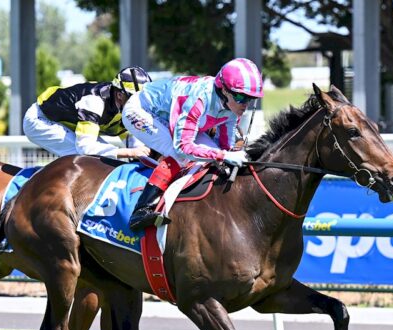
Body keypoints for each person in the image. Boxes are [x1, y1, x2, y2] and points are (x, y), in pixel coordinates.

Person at [122, 58, 263, 231]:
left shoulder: (233, 107)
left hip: (173, 116)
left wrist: (226, 155)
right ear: (225, 90)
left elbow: (224, 147)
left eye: (251, 98)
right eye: (241, 97)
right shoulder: (199, 98)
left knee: (215, 154)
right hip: (141, 111)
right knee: (179, 154)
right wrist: (224, 155)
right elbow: (183, 146)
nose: (245, 104)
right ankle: (141, 210)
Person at [23, 67, 153, 159]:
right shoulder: (94, 103)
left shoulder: (124, 105)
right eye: (137, 98)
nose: (140, 104)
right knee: (90, 159)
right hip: (41, 119)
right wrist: (130, 153)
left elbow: (132, 140)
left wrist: (142, 153)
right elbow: (86, 148)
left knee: (108, 159)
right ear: (120, 95)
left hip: (68, 122)